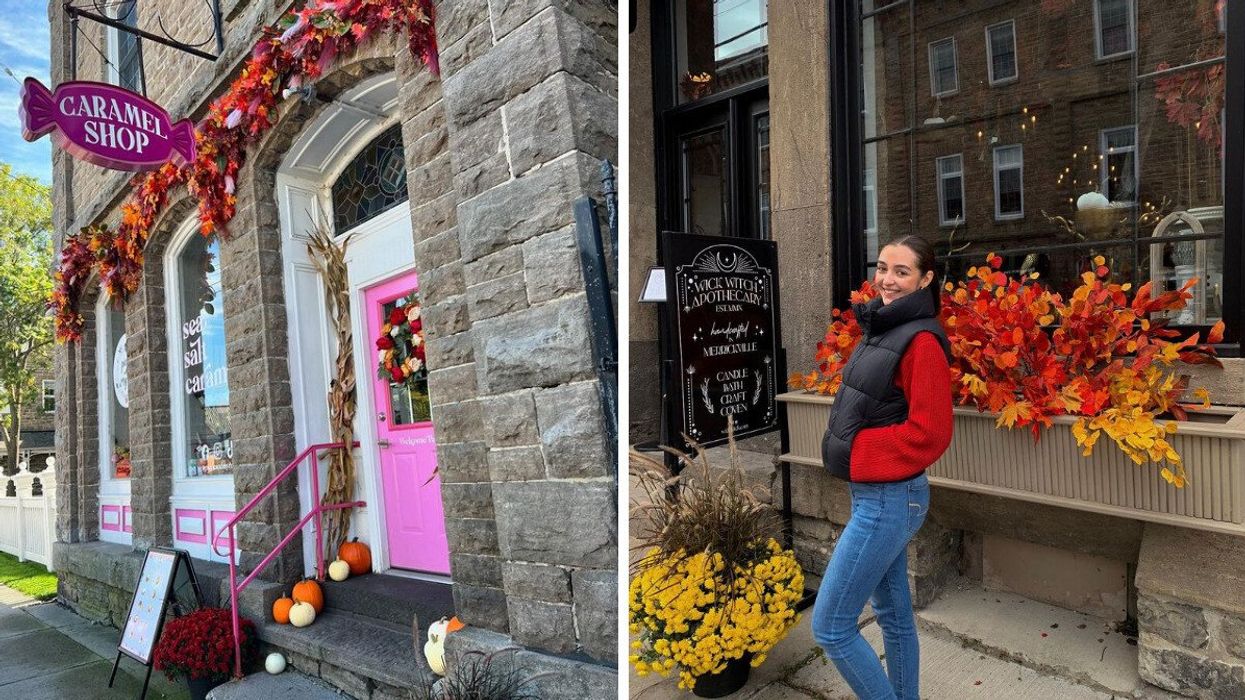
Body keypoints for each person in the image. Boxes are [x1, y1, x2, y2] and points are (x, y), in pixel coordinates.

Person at [811, 234, 954, 700]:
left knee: (831, 626)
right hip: (876, 495)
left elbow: (930, 432)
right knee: (893, 616)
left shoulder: (921, 341)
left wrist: (856, 452)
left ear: (925, 279)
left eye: (901, 271)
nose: (887, 280)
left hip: (891, 498)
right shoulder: (882, 327)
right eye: (883, 268)